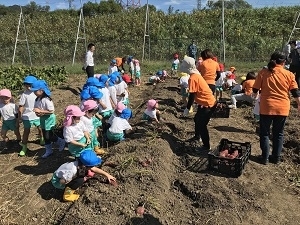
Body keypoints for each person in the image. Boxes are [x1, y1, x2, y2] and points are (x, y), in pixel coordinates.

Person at [252, 51, 300, 165]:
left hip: (267, 107)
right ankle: (276, 157)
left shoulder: (263, 73)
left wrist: (256, 96)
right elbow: (295, 92)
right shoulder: (289, 74)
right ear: (284, 62)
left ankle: (264, 158)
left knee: (265, 133)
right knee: (279, 133)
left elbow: (255, 90)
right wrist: (299, 105)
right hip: (282, 108)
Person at [51, 149, 116, 202]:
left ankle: (84, 174)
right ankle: (67, 196)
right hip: (58, 181)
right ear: (85, 166)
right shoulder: (72, 170)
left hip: (67, 174)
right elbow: (62, 181)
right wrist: (69, 181)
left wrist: (107, 175)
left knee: (84, 174)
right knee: (80, 180)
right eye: (91, 166)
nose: (94, 167)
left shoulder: (80, 162)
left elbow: (94, 169)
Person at [181, 56, 217, 151]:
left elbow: (192, 95)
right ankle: (197, 137)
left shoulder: (193, 78)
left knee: (202, 125)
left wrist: (187, 108)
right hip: (205, 103)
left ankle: (206, 146)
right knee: (197, 119)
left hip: (207, 104)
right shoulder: (195, 75)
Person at [31, 80, 65, 158]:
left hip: (49, 119)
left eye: (35, 91)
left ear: (41, 90)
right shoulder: (37, 99)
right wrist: (38, 113)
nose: (34, 92)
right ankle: (49, 150)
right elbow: (37, 108)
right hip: (43, 118)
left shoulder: (47, 100)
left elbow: (51, 111)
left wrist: (41, 111)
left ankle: (60, 141)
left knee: (47, 135)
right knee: (45, 134)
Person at [18, 75, 44, 156]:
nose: (28, 86)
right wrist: (19, 117)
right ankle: (24, 146)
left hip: (37, 115)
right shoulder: (24, 95)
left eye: (30, 85)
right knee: (26, 131)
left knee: (40, 128)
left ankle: (42, 139)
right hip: (27, 116)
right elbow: (21, 106)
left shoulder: (37, 93)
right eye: (26, 84)